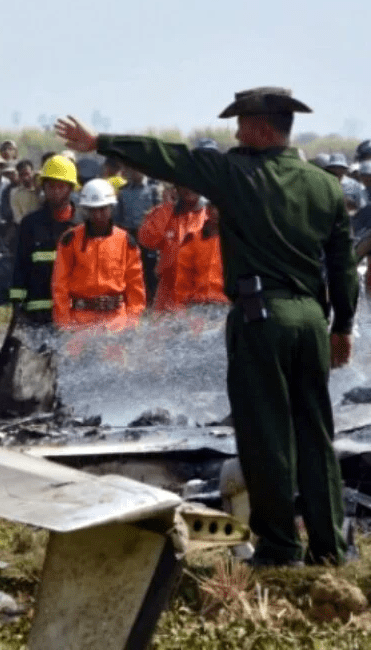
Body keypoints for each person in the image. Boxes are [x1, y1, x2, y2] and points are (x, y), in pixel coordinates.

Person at [56, 86, 356, 566]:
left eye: (240, 124)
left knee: (266, 436)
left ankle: (280, 548)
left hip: (262, 319)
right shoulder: (323, 185)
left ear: (260, 129)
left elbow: (168, 159)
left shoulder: (235, 173)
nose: (235, 132)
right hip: (311, 321)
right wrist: (342, 327)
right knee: (316, 435)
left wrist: (101, 142)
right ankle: (330, 549)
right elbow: (341, 264)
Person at [51, 178, 145, 331]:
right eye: (93, 209)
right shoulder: (70, 240)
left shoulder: (125, 241)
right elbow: (59, 284)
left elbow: (135, 284)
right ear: (86, 210)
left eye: (103, 209)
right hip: (80, 322)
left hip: (116, 323)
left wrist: (132, 321)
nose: (98, 214)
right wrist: (64, 324)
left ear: (111, 208)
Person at [9, 156, 80, 325]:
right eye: (51, 186)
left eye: (60, 186)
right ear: (43, 187)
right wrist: (17, 305)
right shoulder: (30, 224)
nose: (55, 191)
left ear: (70, 189)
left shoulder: (82, 226)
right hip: (37, 312)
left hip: (74, 313)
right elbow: (20, 266)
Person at [138, 184, 207, 312]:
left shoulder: (209, 216)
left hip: (197, 295)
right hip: (167, 294)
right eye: (183, 184)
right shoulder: (167, 212)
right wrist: (166, 208)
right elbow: (147, 239)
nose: (188, 188)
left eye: (192, 183)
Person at [114, 162, 161, 304]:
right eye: (131, 169)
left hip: (150, 238)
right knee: (132, 273)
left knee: (151, 272)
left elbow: (160, 214)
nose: (135, 172)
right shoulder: (123, 192)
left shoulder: (153, 190)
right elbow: (118, 219)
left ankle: (152, 302)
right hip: (130, 238)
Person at [172, 202, 226, 308]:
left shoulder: (238, 242)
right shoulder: (194, 239)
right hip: (198, 306)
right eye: (212, 207)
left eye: (219, 208)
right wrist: (181, 308)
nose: (215, 212)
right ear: (207, 210)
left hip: (226, 306)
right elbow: (183, 279)